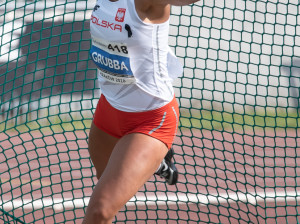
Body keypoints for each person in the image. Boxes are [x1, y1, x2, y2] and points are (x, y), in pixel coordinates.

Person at [83, 0, 199, 223]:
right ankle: (157, 162)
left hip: (152, 119)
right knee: (103, 182)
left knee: (101, 210)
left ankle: (154, 154)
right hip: (109, 109)